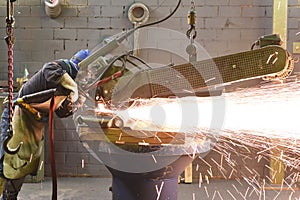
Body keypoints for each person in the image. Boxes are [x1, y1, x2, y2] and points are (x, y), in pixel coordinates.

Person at [0, 49, 91, 199]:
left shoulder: (68, 87)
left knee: (21, 165)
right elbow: (49, 69)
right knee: (7, 161)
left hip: (32, 124)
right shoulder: (61, 67)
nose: (89, 77)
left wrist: (76, 103)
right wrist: (73, 87)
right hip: (15, 117)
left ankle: (9, 197)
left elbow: (61, 113)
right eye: (88, 73)